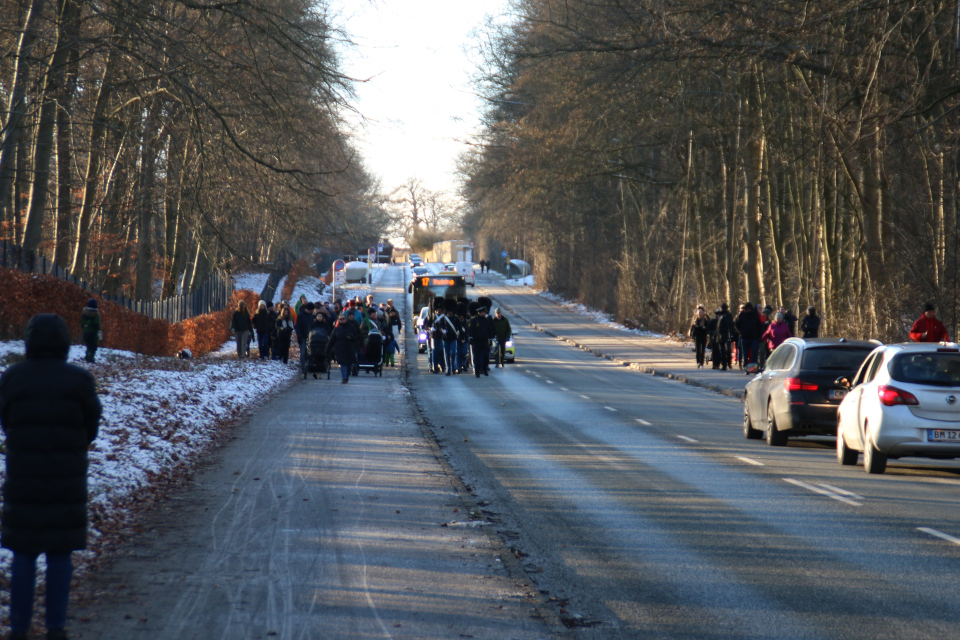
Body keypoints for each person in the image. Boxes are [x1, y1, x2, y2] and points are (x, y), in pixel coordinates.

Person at [0, 314, 101, 640]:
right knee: (60, 554)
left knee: (24, 554)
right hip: (66, 480)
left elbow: (6, 421)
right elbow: (92, 426)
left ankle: (19, 628)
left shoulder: (13, 378)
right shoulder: (79, 380)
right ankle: (56, 628)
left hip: (24, 480)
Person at [326, 313, 360, 383]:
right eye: (340, 319)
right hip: (339, 349)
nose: (342, 320)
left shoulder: (351, 327)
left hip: (349, 349)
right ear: (338, 320)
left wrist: (351, 337)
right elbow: (331, 340)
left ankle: (346, 376)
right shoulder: (336, 329)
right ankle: (344, 377)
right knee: (343, 364)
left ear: (346, 319)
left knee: (349, 364)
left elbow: (357, 337)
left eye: (343, 319)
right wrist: (327, 350)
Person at [735, 302, 762, 372]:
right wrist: (740, 332)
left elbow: (759, 325)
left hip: (754, 337)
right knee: (745, 353)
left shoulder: (755, 315)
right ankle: (745, 366)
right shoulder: (742, 315)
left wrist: (759, 335)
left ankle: (753, 366)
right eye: (747, 309)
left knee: (754, 351)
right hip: (744, 337)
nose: (748, 310)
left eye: (749, 309)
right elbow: (736, 324)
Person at [467, 305, 492, 377]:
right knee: (477, 357)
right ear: (479, 312)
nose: (484, 314)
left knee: (486, 356)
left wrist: (490, 337)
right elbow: (470, 330)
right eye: (483, 312)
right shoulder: (474, 320)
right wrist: (471, 338)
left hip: (484, 341)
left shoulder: (486, 320)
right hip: (476, 341)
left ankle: (484, 369)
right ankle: (477, 371)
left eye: (484, 312)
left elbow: (489, 330)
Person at [294, 302, 315, 374]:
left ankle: (310, 366)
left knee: (310, 352)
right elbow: (298, 327)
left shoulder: (312, 316)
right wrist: (299, 336)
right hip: (303, 336)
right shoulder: (301, 315)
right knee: (303, 352)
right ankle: (303, 368)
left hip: (311, 337)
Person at [713, 304, 734, 371]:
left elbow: (730, 325)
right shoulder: (722, 315)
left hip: (725, 335)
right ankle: (724, 364)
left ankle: (726, 364)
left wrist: (731, 334)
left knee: (726, 351)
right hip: (721, 335)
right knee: (722, 351)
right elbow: (718, 327)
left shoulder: (727, 315)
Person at [80, 299, 102, 363]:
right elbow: (97, 326)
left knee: (89, 345)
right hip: (93, 333)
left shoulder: (84, 314)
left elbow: (82, 323)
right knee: (93, 346)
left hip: (86, 332)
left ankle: (87, 356)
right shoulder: (96, 315)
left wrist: (84, 329)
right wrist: (100, 336)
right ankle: (90, 358)